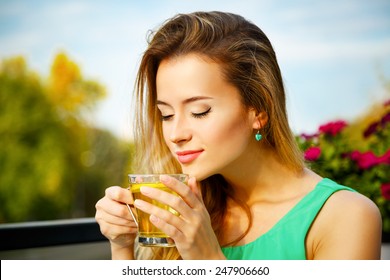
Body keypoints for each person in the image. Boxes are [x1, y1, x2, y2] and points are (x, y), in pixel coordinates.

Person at [95, 11, 382, 260]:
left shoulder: (345, 217)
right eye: (166, 115)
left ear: (258, 110)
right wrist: (122, 247)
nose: (175, 134)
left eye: (200, 111)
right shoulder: (188, 210)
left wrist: (208, 259)